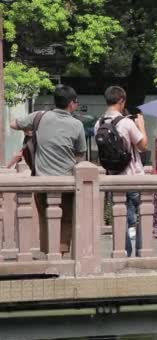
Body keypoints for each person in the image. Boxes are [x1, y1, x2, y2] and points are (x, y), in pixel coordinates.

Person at [10, 84, 87, 254]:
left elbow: (13, 124)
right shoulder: (77, 125)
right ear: (72, 103)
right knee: (66, 219)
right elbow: (81, 153)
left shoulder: (38, 117)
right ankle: (60, 252)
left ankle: (47, 252)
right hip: (66, 183)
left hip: (41, 182)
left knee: (45, 219)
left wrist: (28, 129)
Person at [94, 86, 148, 257]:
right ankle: (140, 251)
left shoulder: (99, 124)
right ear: (121, 100)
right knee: (140, 216)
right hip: (133, 177)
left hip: (112, 178)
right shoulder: (126, 122)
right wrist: (142, 126)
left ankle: (123, 251)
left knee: (120, 217)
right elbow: (143, 146)